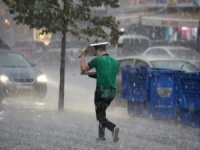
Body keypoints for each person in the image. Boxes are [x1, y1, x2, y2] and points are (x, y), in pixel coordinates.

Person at [80, 42, 120, 142]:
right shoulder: (115, 62)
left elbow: (83, 69)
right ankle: (101, 136)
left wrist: (83, 56)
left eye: (96, 52)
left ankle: (113, 128)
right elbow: (107, 74)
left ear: (99, 51)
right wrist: (96, 74)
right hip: (111, 93)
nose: (95, 54)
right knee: (102, 113)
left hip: (101, 92)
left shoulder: (98, 60)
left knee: (100, 117)